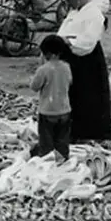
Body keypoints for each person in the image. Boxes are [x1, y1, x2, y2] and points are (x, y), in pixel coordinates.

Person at [57, 0, 111, 141]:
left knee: (89, 96)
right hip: (71, 57)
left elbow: (88, 40)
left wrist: (70, 42)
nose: (69, 3)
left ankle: (90, 132)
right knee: (74, 95)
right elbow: (65, 30)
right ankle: (74, 129)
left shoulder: (94, 13)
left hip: (87, 59)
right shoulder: (75, 12)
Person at [28, 35, 73, 163]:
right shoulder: (66, 67)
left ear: (46, 53)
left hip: (47, 112)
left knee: (46, 144)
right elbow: (69, 82)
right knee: (62, 142)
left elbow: (34, 87)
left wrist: (34, 76)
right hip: (64, 110)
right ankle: (63, 163)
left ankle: (47, 165)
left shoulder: (43, 70)